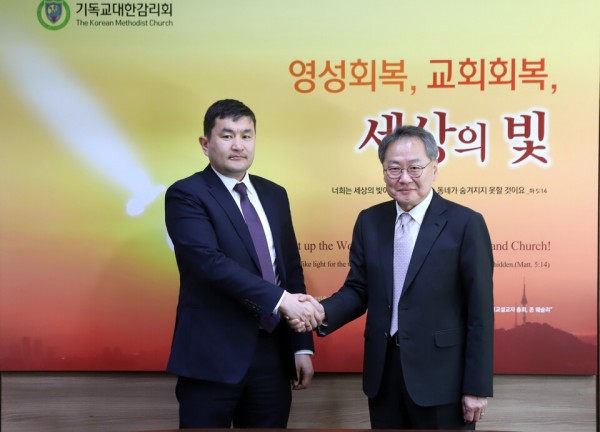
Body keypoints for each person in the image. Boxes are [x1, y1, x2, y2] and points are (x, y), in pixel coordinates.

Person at [302, 125, 494, 430]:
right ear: (384, 172)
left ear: (434, 168)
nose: (404, 178)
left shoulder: (465, 223)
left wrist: (477, 387)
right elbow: (358, 288)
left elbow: (480, 312)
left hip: (441, 377)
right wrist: (321, 312)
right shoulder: (370, 220)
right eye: (394, 169)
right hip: (384, 372)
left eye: (414, 167)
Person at [165, 99, 321, 428]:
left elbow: (290, 269)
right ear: (205, 144)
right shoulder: (187, 194)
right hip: (212, 356)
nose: (238, 145)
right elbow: (209, 263)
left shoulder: (275, 194)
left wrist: (301, 347)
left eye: (246, 136)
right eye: (227, 136)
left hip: (272, 355)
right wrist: (280, 300)